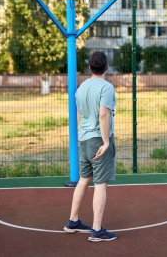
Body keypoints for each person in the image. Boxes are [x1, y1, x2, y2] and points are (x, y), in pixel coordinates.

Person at [63, 51, 117, 242]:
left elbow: (79, 115)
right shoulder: (107, 87)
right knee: (100, 184)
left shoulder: (81, 87)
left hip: (84, 138)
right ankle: (96, 230)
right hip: (98, 139)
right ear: (106, 67)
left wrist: (81, 135)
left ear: (89, 67)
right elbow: (103, 115)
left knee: (83, 180)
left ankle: (73, 221)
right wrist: (106, 142)